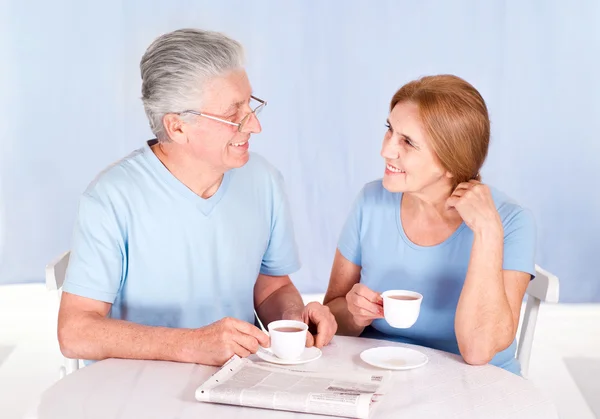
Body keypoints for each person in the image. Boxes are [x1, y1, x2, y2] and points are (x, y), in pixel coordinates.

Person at [57, 28, 336, 366]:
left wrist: (295, 321)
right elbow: (75, 332)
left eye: (252, 105)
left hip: (239, 382)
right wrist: (191, 344)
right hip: (137, 392)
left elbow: (272, 287)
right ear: (177, 127)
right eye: (234, 115)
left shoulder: (264, 180)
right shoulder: (111, 197)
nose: (254, 127)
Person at [323, 75, 536, 374]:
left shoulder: (511, 222)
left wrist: (488, 232)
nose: (386, 150)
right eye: (389, 130)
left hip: (473, 384)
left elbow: (479, 351)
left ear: (452, 160)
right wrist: (354, 314)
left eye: (407, 142)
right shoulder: (371, 201)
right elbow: (330, 317)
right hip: (379, 375)